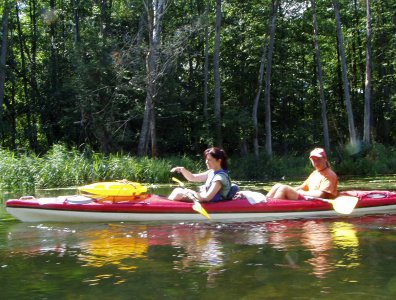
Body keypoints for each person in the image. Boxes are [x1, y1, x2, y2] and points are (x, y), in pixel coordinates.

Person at [266, 148, 338, 200]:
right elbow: (302, 187)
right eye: (313, 160)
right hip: (308, 198)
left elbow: (320, 195)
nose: (316, 163)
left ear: (325, 159)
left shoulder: (330, 175)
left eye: (318, 159)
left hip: (316, 201)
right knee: (278, 185)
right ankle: (265, 202)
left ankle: (272, 207)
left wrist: (302, 193)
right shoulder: (315, 173)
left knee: (284, 188)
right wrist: (292, 190)